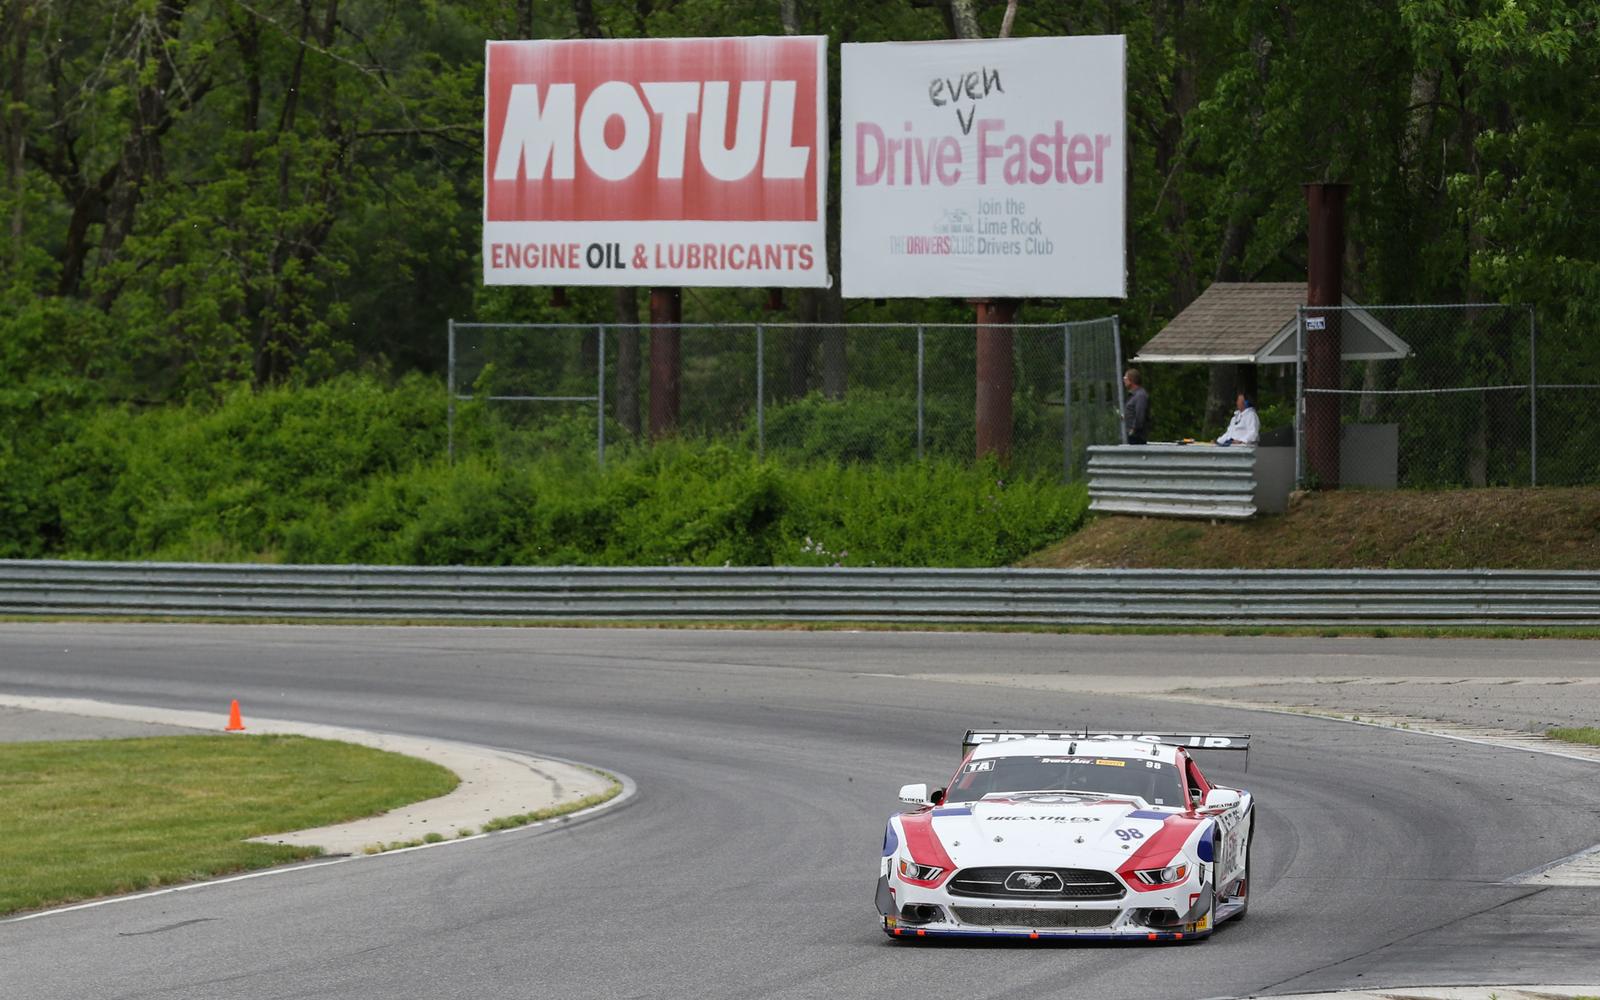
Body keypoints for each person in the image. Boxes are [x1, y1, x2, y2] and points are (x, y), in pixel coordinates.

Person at [1122, 368, 1149, 444]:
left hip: (1136, 437)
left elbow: (1140, 415)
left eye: (1125, 378)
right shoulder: (1134, 395)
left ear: (1132, 380)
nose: (1124, 380)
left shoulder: (1140, 396)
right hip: (1132, 436)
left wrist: (1133, 430)